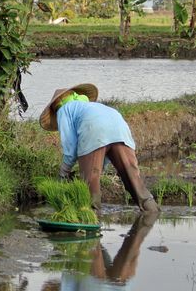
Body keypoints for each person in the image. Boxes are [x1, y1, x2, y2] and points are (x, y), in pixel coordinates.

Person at [39, 83, 158, 216]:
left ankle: (92, 219)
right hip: (120, 128)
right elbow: (106, 149)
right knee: (133, 179)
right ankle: (152, 211)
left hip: (94, 130)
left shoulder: (64, 109)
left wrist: (63, 174)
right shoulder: (94, 106)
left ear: (56, 107)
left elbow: (70, 148)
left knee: (90, 184)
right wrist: (100, 167)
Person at [40, 211, 158, 291]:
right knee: (92, 249)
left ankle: (146, 219)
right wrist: (71, 250)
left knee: (133, 241)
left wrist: (96, 250)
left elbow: (103, 263)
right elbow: (70, 275)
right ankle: (149, 211)